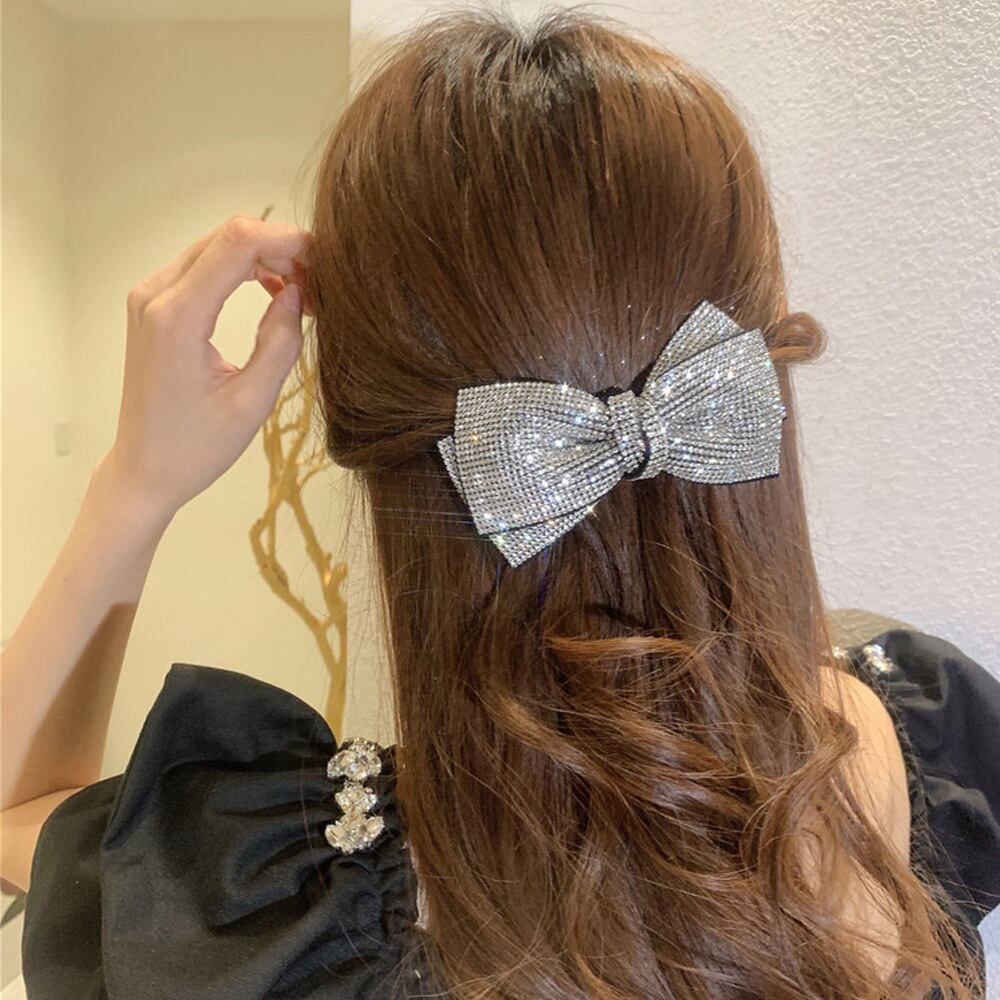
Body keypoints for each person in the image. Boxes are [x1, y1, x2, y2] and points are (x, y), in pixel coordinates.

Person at [1, 8, 997, 1000]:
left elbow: (15, 812)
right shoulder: (928, 735)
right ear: (747, 371)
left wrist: (134, 486)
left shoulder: (270, 906)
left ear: (362, 419)